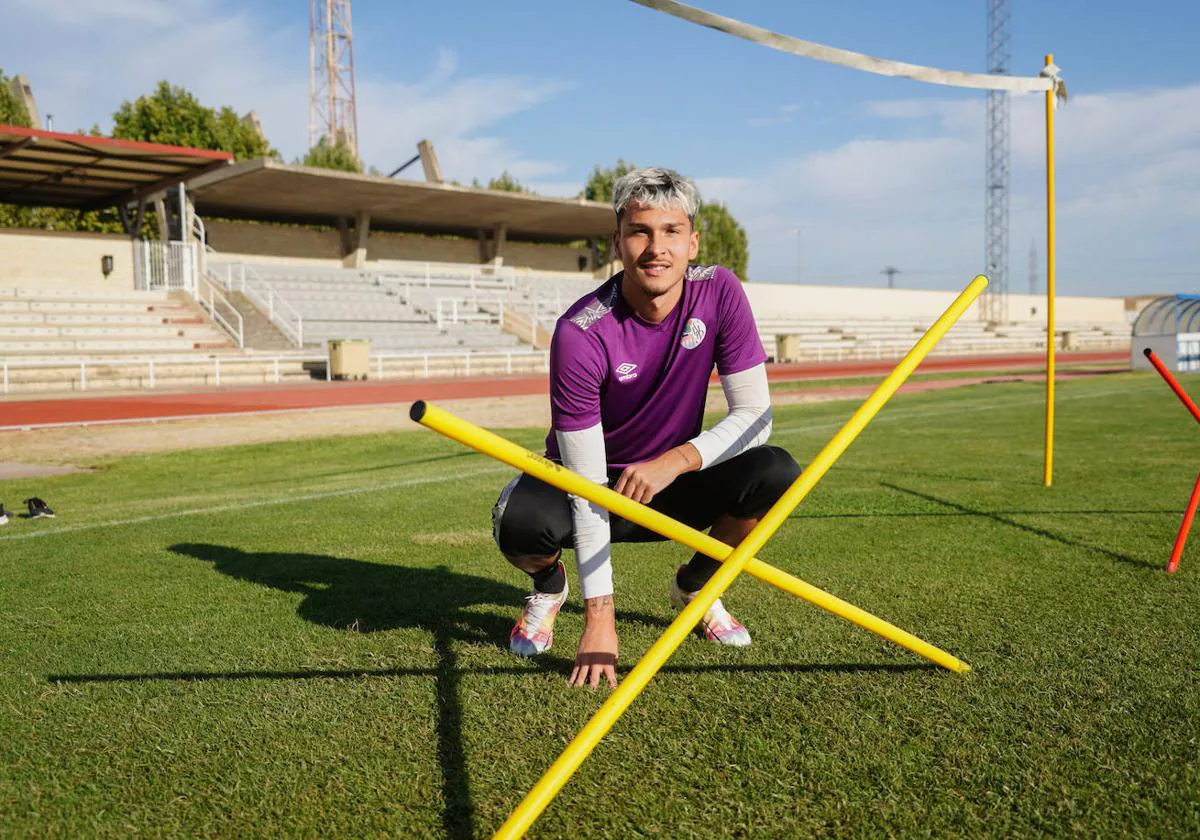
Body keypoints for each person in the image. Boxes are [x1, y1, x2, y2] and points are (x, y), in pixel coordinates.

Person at [491, 167, 800, 689]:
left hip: (670, 482)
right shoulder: (579, 333)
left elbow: (756, 417)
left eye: (671, 231)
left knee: (776, 472)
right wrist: (600, 619)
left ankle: (697, 587)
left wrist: (676, 460)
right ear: (617, 242)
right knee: (517, 522)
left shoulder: (720, 291)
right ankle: (549, 587)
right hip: (588, 488)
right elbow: (588, 488)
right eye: (640, 231)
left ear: (693, 242)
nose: (656, 248)